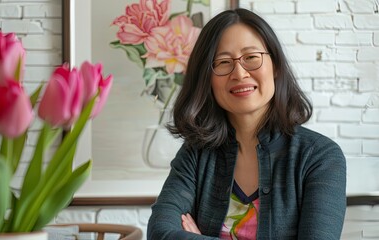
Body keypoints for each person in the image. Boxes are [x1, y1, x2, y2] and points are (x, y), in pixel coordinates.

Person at [147, 8, 346, 240]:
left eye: (251, 57)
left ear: (276, 66)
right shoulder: (195, 153)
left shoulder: (319, 156)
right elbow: (160, 232)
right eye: (222, 62)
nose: (239, 74)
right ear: (206, 78)